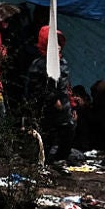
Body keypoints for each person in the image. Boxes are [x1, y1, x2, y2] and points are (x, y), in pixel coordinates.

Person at [25, 25, 75, 164]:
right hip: (47, 107)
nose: (58, 46)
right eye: (54, 43)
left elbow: (66, 85)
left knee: (68, 131)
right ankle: (43, 163)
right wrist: (53, 99)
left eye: (59, 43)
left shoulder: (62, 62)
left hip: (63, 107)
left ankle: (59, 160)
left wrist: (72, 105)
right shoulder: (39, 64)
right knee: (47, 135)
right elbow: (36, 88)